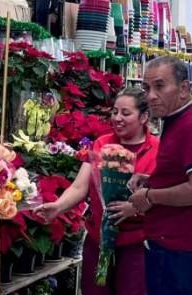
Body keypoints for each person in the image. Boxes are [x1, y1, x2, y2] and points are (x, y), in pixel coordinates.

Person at [33, 87, 159, 295]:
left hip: (136, 245)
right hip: (98, 240)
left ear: (144, 116)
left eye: (126, 113)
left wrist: (133, 207)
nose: (118, 118)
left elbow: (162, 196)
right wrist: (58, 207)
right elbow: (80, 186)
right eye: (115, 112)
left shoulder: (157, 150)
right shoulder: (102, 143)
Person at [126, 57, 192, 295]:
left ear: (184, 89)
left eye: (160, 86)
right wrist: (151, 179)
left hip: (179, 248)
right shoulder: (178, 121)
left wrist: (150, 196)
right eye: (147, 88)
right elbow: (183, 175)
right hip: (175, 245)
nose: (150, 96)